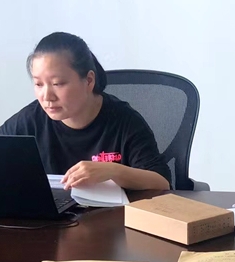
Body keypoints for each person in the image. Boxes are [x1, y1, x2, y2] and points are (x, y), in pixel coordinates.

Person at [0, 32, 171, 190]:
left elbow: (162, 183)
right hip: (52, 213)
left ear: (89, 80)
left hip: (112, 213)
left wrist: (113, 171)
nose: (47, 96)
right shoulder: (29, 121)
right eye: (38, 84)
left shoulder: (124, 121)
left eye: (57, 83)